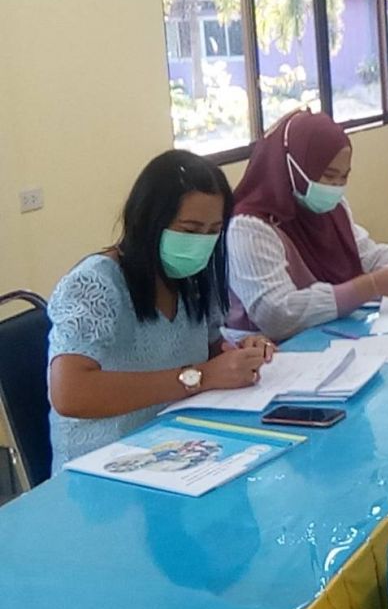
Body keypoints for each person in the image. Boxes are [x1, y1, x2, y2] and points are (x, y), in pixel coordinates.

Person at [46, 150, 274, 471]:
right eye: (190, 230)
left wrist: (240, 354)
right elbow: (71, 394)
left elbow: (209, 348)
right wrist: (200, 377)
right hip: (105, 465)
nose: (202, 243)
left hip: (180, 448)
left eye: (213, 231)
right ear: (149, 221)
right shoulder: (95, 284)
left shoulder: (193, 278)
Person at [226, 110, 388, 341]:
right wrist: (370, 286)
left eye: (344, 177)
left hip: (328, 335)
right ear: (292, 167)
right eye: (329, 175)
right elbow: (275, 314)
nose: (335, 187)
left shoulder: (332, 207)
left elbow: (366, 255)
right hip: (270, 352)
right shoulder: (250, 227)